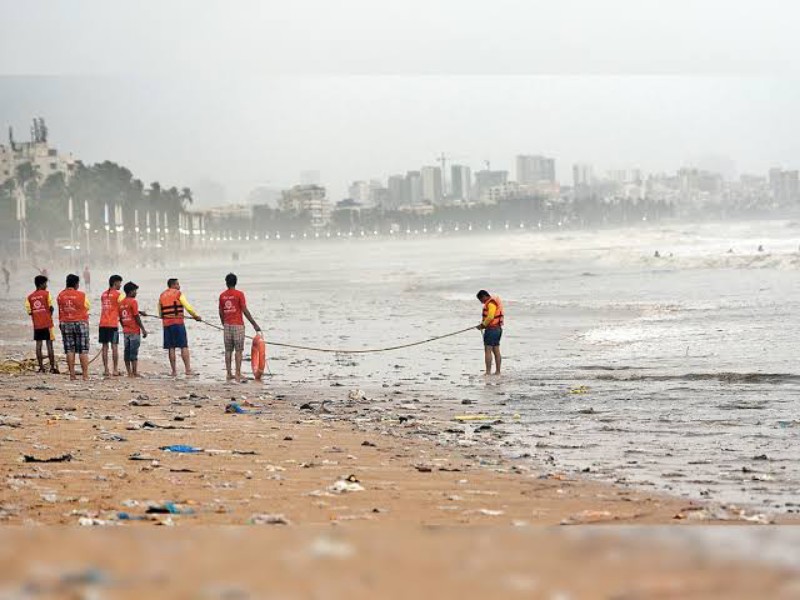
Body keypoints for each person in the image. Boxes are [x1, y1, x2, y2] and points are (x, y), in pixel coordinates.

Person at [218, 273, 261, 381]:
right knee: (238, 350)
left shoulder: (222, 295)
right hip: (238, 325)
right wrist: (254, 324)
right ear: (235, 282)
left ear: (226, 282)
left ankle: (229, 373)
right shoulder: (239, 294)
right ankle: (237, 373)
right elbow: (244, 310)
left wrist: (223, 323)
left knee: (228, 350)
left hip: (227, 326)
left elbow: (220, 311)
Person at [158, 278, 202, 377]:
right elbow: (187, 306)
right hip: (178, 323)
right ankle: (188, 370)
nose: (179, 286)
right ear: (173, 285)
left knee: (171, 347)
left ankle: (174, 371)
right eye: (178, 284)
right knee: (183, 346)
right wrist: (195, 316)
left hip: (166, 324)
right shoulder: (178, 293)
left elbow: (160, 313)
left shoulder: (162, 295)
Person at [57, 273, 91, 381]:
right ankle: (85, 375)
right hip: (80, 323)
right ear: (76, 284)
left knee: (69, 349)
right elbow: (87, 306)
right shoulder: (82, 295)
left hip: (65, 323)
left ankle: (72, 375)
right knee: (83, 350)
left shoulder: (60, 295)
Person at [25, 274, 58, 373]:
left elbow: (30, 312)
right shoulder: (46, 294)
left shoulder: (29, 297)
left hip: (37, 325)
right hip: (47, 324)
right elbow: (51, 308)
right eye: (45, 283)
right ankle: (52, 367)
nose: (46, 286)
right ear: (41, 284)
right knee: (49, 345)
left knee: (38, 346)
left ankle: (41, 368)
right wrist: (47, 315)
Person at [119, 281, 147, 378]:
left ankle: (129, 372)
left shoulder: (121, 303)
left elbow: (121, 318)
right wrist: (143, 329)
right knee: (134, 352)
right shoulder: (134, 301)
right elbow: (136, 316)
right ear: (131, 292)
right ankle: (135, 372)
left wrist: (124, 327)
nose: (136, 293)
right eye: (135, 291)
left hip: (126, 331)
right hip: (134, 331)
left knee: (127, 352)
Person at [99, 274, 125, 377]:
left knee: (105, 347)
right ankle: (115, 369)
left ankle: (106, 370)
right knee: (114, 346)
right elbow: (124, 308)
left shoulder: (103, 295)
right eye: (120, 283)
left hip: (103, 324)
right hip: (113, 324)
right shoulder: (119, 295)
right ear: (115, 283)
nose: (120, 285)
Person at [476, 290, 504, 376]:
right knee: (496, 350)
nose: (482, 302)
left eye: (481, 300)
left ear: (484, 296)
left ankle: (488, 372)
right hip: (498, 329)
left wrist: (483, 325)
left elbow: (491, 316)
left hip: (492, 330)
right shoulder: (492, 302)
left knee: (488, 350)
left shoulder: (491, 303)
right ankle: (498, 371)